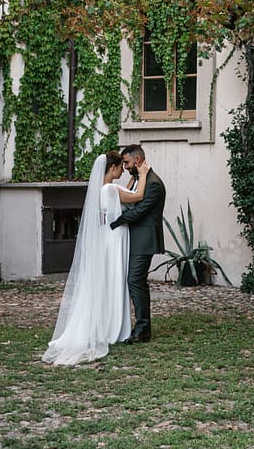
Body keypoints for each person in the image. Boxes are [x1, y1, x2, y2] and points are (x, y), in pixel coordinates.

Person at [42, 151, 151, 365]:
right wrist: (144, 174)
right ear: (112, 168)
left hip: (107, 238)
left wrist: (134, 177)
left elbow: (126, 191)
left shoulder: (102, 190)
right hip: (115, 239)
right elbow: (136, 196)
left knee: (109, 281)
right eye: (120, 167)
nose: (122, 170)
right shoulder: (110, 189)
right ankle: (114, 329)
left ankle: (110, 324)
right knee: (115, 280)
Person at [110, 142, 166, 343]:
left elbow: (139, 211)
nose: (124, 167)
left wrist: (113, 223)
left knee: (135, 281)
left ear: (138, 160)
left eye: (126, 163)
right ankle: (137, 326)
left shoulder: (153, 183)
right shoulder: (137, 179)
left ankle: (143, 329)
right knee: (133, 282)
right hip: (133, 240)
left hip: (144, 241)